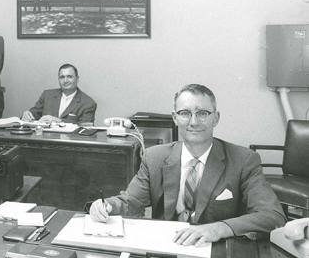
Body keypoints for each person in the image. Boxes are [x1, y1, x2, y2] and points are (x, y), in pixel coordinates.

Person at [89, 84, 286, 246]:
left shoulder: (243, 160)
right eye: (185, 113)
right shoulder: (153, 157)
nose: (193, 122)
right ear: (175, 118)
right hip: (167, 247)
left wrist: (218, 228)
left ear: (215, 118)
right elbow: (129, 202)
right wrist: (105, 206)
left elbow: (273, 216)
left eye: (202, 113)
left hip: (216, 250)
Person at [22, 64, 97, 125]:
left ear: (77, 79)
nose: (65, 81)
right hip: (44, 141)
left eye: (69, 77)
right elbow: (33, 115)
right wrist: (26, 116)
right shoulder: (47, 95)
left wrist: (57, 121)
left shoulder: (88, 103)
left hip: (70, 142)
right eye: (62, 77)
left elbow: (85, 129)